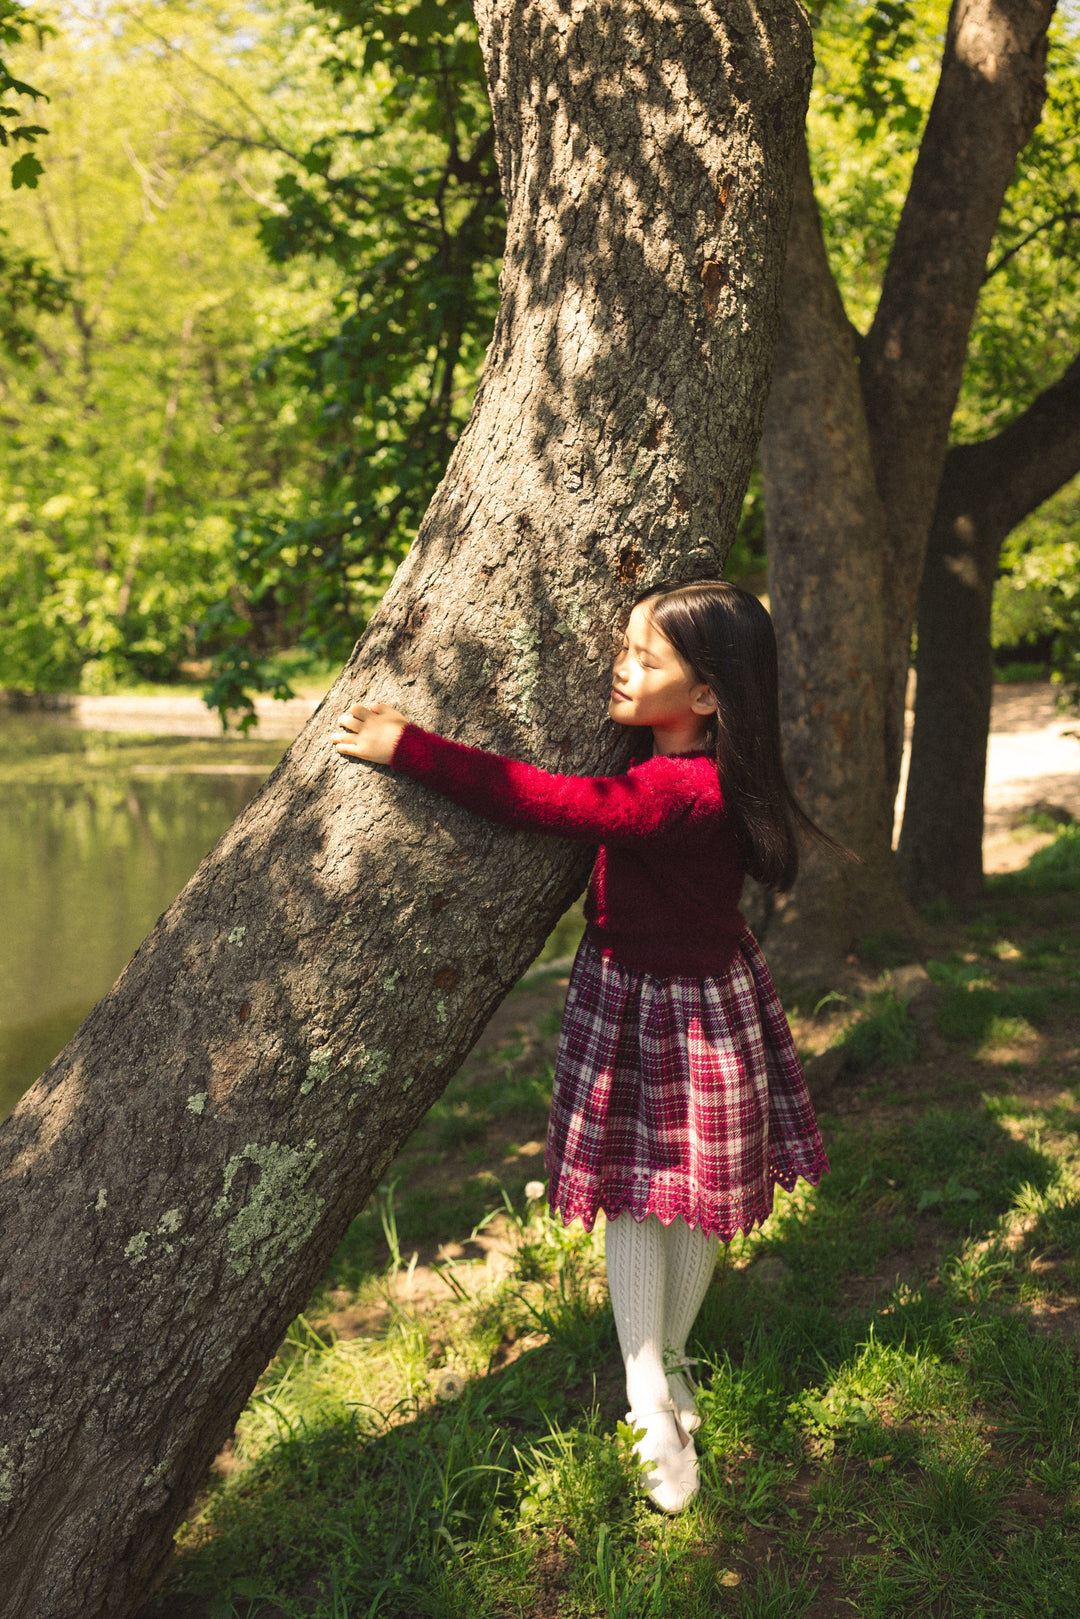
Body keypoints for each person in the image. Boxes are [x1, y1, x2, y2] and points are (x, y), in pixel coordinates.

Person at [331, 578, 836, 1514]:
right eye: (627, 647)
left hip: (665, 1010)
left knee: (661, 1201)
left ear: (710, 696)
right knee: (672, 1200)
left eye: (648, 658)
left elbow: (544, 799)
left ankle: (654, 1378)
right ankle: (657, 1379)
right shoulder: (702, 774)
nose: (620, 665)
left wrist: (412, 746)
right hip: (692, 995)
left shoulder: (674, 792)